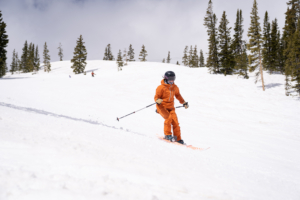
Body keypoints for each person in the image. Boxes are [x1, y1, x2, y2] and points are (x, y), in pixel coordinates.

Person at [154, 71, 189, 144]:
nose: (171, 81)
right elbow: (156, 97)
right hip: (162, 107)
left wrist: (183, 102)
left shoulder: (175, 87)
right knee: (168, 118)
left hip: (171, 108)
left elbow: (178, 95)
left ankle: (177, 138)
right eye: (170, 79)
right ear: (166, 78)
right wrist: (157, 100)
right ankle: (167, 135)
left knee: (175, 122)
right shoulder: (161, 87)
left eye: (173, 79)